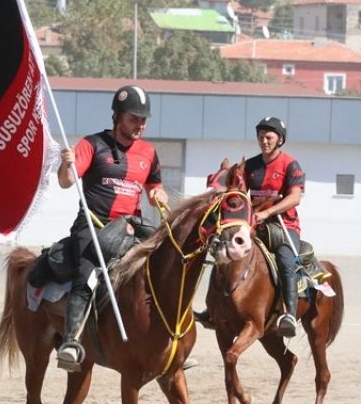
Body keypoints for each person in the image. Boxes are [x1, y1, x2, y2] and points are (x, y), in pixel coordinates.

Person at [54, 85, 168, 372]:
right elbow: (66, 181)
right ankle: (70, 342)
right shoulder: (92, 144)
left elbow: (154, 187)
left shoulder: (148, 152)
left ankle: (169, 343)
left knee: (167, 267)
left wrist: (158, 195)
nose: (140, 124)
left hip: (131, 227)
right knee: (87, 274)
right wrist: (65, 164)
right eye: (133, 118)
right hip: (94, 226)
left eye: (143, 119)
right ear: (117, 116)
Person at [196, 116, 307, 339]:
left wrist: (267, 212)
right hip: (254, 225)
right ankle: (213, 308)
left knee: (286, 260)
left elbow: (295, 197)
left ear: (280, 140)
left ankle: (290, 314)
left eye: (269, 137)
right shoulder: (252, 166)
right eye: (260, 137)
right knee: (224, 253)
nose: (263, 141)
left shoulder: (290, 165)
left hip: (284, 225)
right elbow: (239, 193)